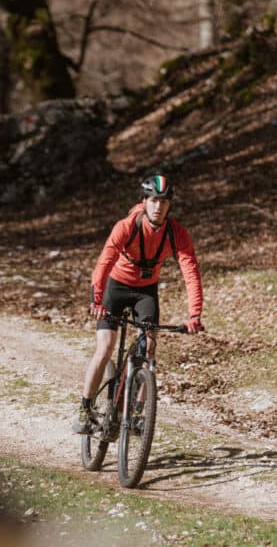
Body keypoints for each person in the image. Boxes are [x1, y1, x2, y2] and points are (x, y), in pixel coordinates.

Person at [72, 173, 205, 434]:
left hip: (146, 291)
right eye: (154, 200)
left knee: (150, 349)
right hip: (116, 287)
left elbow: (191, 272)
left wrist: (194, 315)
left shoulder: (177, 234)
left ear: (170, 205)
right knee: (106, 347)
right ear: (144, 201)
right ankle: (85, 408)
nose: (159, 207)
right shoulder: (126, 226)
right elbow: (105, 261)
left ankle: (136, 415)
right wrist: (96, 299)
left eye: (164, 202)